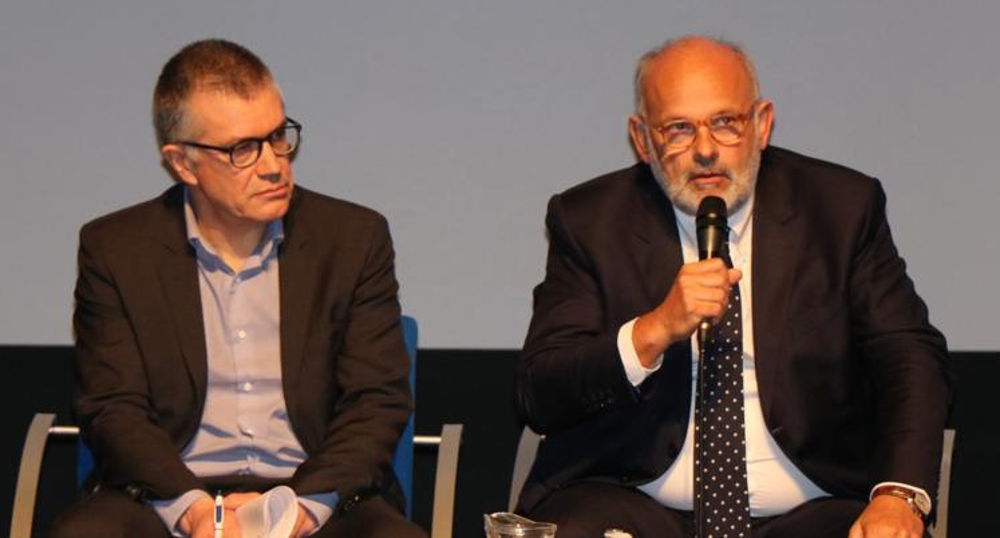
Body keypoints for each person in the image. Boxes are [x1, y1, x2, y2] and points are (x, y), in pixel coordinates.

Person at [514, 36, 951, 538]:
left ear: (762, 124)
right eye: (678, 129)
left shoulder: (841, 209)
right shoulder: (589, 220)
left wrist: (898, 496)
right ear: (642, 139)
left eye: (725, 123)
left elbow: (910, 359)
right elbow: (538, 391)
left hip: (813, 506)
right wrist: (652, 332)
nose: (704, 150)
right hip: (630, 500)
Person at [52, 39, 426, 538]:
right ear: (183, 163)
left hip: (316, 494)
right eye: (242, 149)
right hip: (165, 494)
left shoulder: (353, 239)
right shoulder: (117, 250)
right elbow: (112, 407)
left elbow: (376, 400)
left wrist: (299, 509)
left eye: (278, 136)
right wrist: (194, 509)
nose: (273, 164)